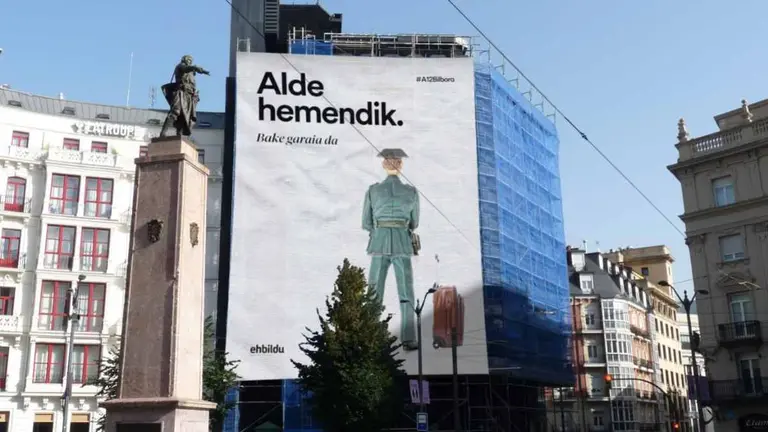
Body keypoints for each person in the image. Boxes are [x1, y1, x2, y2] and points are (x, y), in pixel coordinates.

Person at [362, 148, 420, 350]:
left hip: (379, 243)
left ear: (384, 165)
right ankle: (409, 338)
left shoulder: (373, 190)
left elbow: (366, 223)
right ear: (400, 165)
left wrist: (380, 229)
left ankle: (368, 335)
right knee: (406, 291)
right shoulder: (411, 192)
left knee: (374, 291)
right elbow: (414, 223)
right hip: (402, 244)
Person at [160, 55, 210, 137]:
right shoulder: (180, 66)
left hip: (189, 95)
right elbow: (186, 69)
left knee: (184, 116)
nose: (190, 61)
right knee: (175, 111)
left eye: (191, 60)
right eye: (188, 60)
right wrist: (195, 67)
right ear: (184, 60)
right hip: (180, 92)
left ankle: (178, 135)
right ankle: (163, 133)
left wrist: (195, 94)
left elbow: (193, 84)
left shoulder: (192, 74)